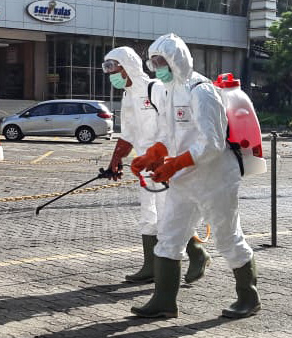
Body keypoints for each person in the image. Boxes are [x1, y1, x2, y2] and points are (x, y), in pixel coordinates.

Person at [130, 33, 260, 320]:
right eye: (152, 62)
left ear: (176, 60)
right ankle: (164, 301)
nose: (156, 67)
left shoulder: (202, 91)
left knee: (227, 238)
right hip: (184, 180)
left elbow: (212, 143)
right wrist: (152, 155)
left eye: (160, 61)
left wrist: (175, 163)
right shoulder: (166, 90)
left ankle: (248, 298)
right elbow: (167, 134)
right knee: (169, 236)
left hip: (214, 179)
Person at [103, 47, 210, 284]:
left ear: (127, 65)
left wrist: (164, 158)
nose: (110, 73)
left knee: (169, 215)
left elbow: (172, 127)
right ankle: (150, 267)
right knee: (148, 215)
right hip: (144, 165)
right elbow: (128, 133)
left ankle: (196, 254)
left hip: (165, 163)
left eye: (113, 67)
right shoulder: (128, 95)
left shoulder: (156, 88)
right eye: (107, 68)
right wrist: (115, 161)